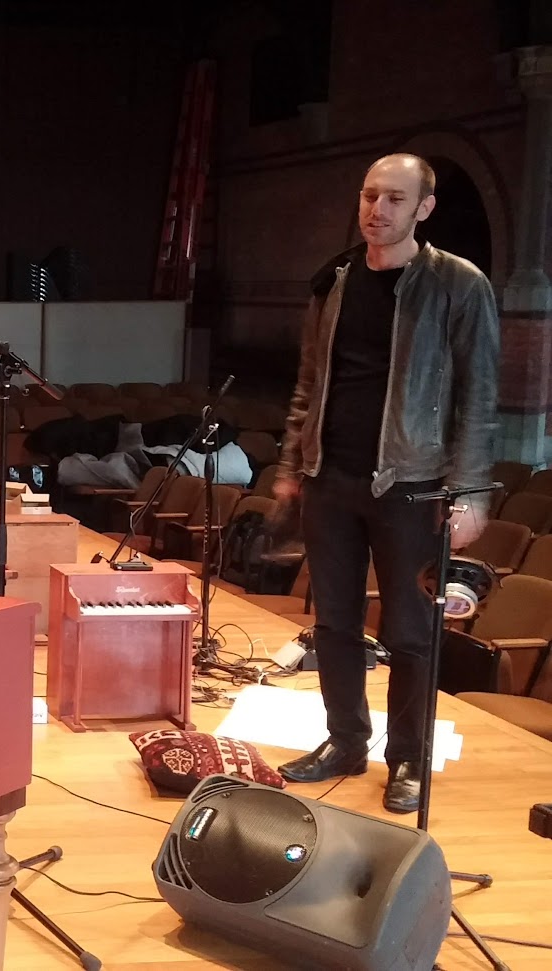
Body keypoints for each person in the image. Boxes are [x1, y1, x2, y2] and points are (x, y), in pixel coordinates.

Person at [273, 153, 500, 814]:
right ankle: (345, 741)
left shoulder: (458, 285)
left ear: (423, 208)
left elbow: (478, 397)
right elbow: (309, 384)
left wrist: (472, 493)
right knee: (334, 624)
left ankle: (407, 760)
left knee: (408, 631)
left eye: (395, 199)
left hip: (412, 484)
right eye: (371, 196)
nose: (378, 209)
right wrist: (294, 465)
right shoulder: (334, 280)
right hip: (330, 478)